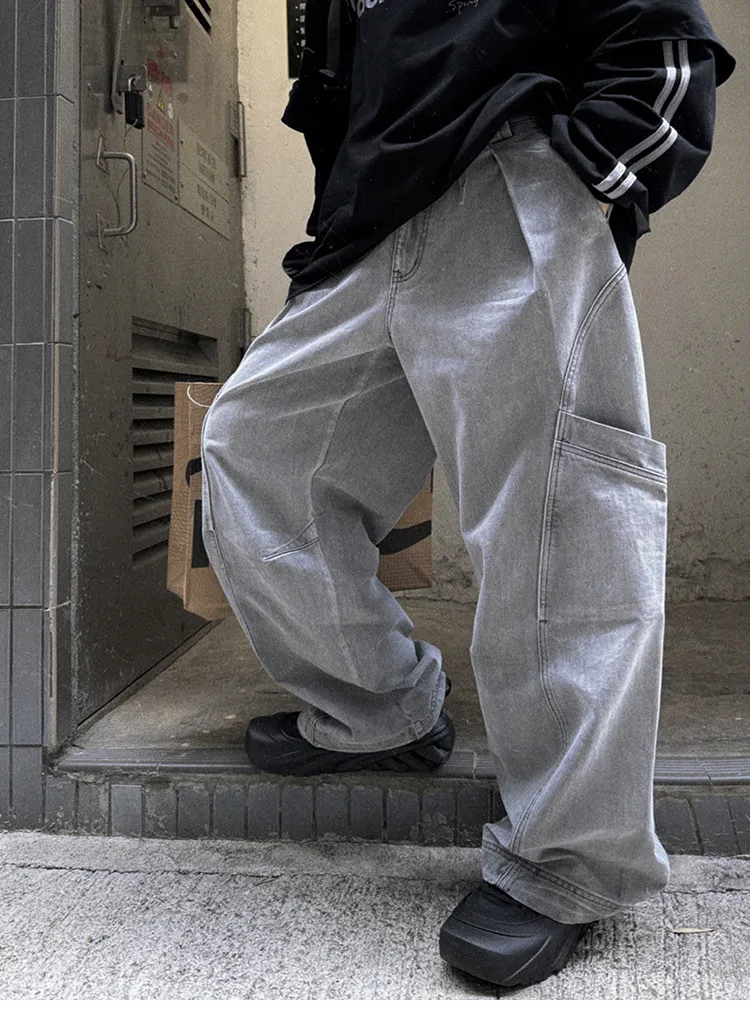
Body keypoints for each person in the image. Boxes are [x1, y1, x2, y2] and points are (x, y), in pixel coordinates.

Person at [200, 0, 735, 988]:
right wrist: (333, 233)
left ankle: (568, 861)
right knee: (254, 453)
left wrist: (590, 181)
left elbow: (659, 36)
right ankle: (381, 707)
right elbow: (345, 105)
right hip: (371, 224)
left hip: (511, 174)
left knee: (556, 520)